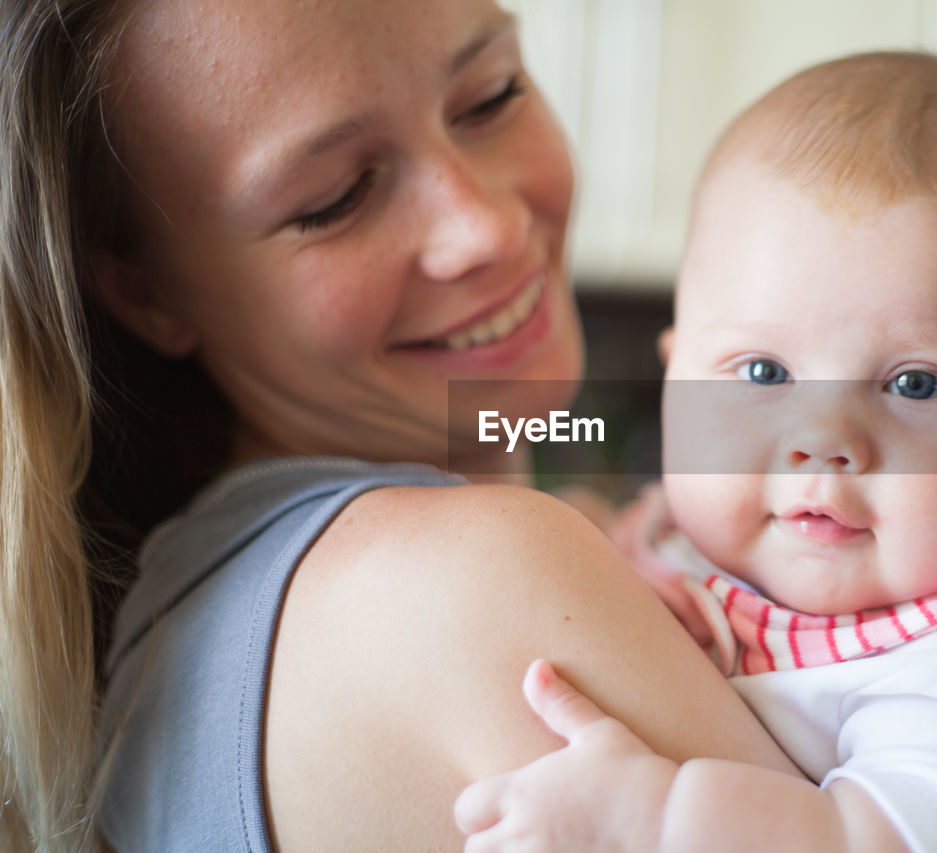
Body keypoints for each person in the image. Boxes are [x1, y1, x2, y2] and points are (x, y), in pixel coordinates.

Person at [0, 0, 805, 850]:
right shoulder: (473, 583)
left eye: (490, 97)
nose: (484, 226)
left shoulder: (170, 623)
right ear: (145, 291)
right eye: (336, 198)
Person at [453, 52, 937, 852]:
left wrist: (654, 816)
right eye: (763, 371)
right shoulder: (699, 527)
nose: (823, 442)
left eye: (915, 384)